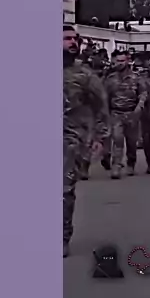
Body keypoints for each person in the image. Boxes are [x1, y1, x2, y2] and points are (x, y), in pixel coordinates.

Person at [63, 26, 109, 257]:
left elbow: (101, 106)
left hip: (69, 140)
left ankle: (61, 236)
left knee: (63, 190)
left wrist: (100, 137)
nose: (73, 42)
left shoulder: (85, 75)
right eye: (66, 39)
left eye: (75, 39)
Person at [104, 51, 147, 179]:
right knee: (117, 139)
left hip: (131, 113)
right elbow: (105, 97)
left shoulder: (136, 78)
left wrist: (139, 107)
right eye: (117, 61)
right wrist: (105, 113)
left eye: (122, 61)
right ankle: (116, 165)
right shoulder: (111, 79)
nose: (119, 63)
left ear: (128, 61)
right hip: (116, 113)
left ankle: (131, 163)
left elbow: (143, 94)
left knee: (131, 142)